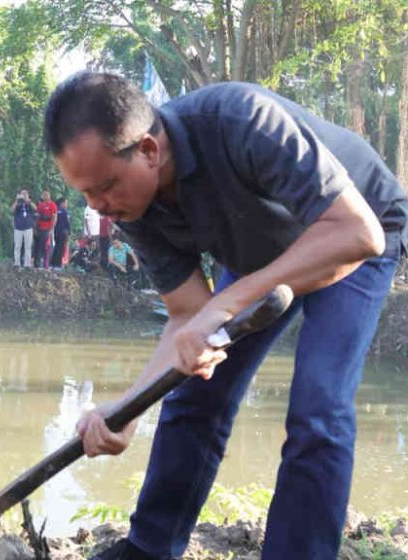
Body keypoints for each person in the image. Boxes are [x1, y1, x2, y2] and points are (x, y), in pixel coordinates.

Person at [44, 72, 408, 560]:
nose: (98, 206)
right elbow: (187, 316)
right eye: (86, 193)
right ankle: (150, 548)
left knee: (318, 406)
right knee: (196, 389)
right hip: (260, 248)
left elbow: (359, 234)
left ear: (149, 150)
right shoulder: (131, 205)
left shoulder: (241, 121)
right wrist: (127, 409)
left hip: (354, 228)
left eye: (105, 187)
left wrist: (225, 304)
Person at [11, 189, 36, 267]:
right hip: (18, 227)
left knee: (28, 246)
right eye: (22, 194)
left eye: (25, 194)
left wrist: (28, 200)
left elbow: (35, 208)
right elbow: (11, 210)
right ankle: (17, 263)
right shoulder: (18, 203)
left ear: (28, 194)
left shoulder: (30, 203)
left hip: (28, 227)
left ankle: (27, 263)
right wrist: (16, 200)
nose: (24, 195)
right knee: (17, 246)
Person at [35, 190, 58, 268]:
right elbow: (37, 216)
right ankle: (38, 262)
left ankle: (46, 264)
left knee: (47, 246)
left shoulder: (52, 205)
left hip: (48, 228)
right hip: (40, 228)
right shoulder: (40, 205)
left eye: (46, 195)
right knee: (39, 245)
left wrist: (51, 229)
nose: (44, 196)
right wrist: (35, 227)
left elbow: (54, 217)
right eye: (43, 195)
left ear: (49, 196)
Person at [51, 197, 71, 269]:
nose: (67, 204)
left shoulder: (56, 210)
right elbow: (68, 223)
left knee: (56, 247)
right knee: (61, 248)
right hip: (63, 232)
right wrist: (69, 232)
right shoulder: (65, 211)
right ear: (62, 203)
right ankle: (58, 264)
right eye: (66, 203)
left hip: (56, 231)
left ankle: (53, 263)